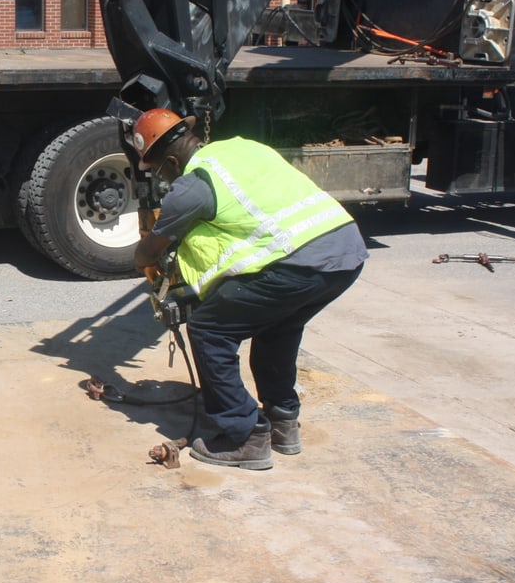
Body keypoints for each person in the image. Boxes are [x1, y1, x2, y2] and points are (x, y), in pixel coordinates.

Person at [129, 109, 367, 471]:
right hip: (345, 252)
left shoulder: (192, 185)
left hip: (298, 263)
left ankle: (245, 435)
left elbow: (148, 252)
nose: (162, 177)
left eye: (159, 169)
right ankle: (283, 422)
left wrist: (143, 258)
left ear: (172, 160)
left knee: (209, 329)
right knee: (278, 328)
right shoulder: (243, 149)